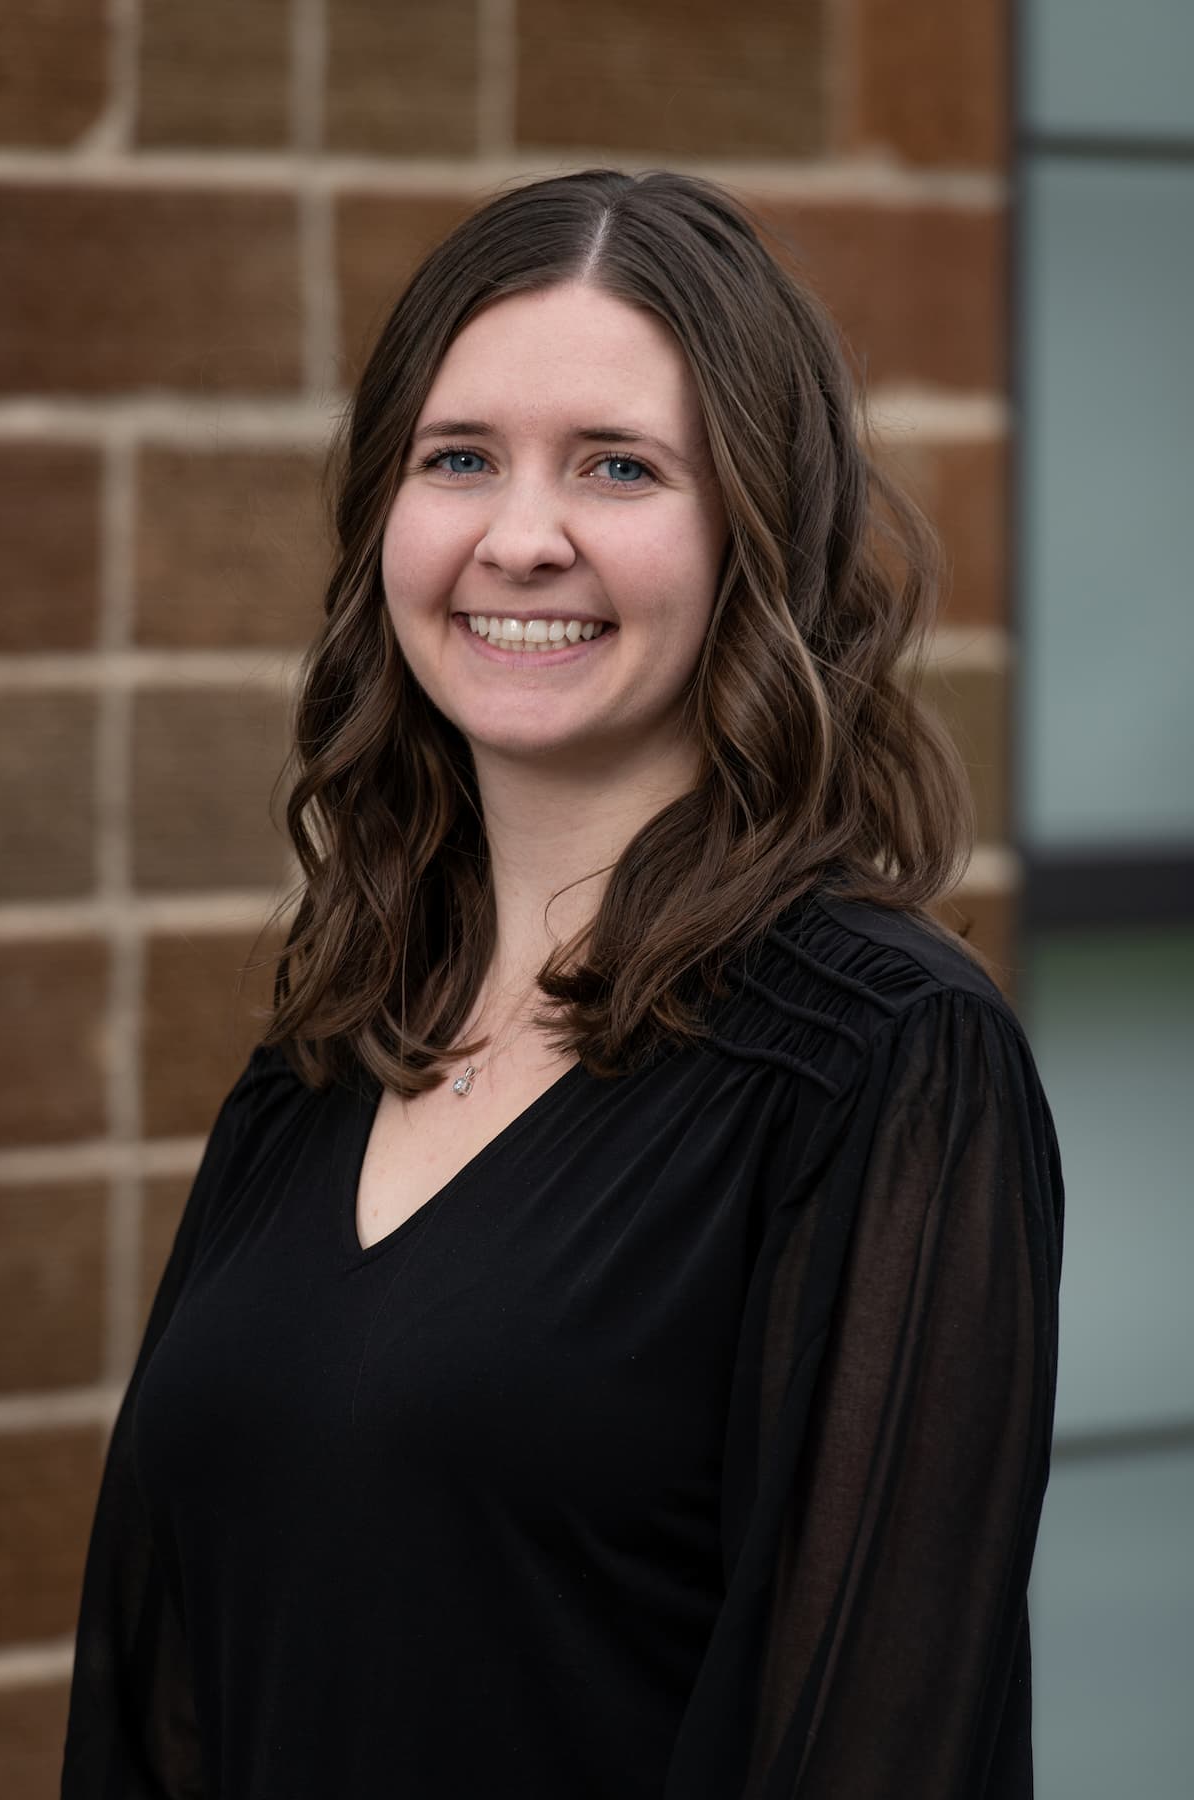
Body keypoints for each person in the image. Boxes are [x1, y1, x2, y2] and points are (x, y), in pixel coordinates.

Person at [61, 169, 1063, 1799]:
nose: (522, 539)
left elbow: (874, 1751)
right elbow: (161, 1685)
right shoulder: (323, 1058)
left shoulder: (883, 1064)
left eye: (618, 466)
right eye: (459, 460)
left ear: (753, 529)